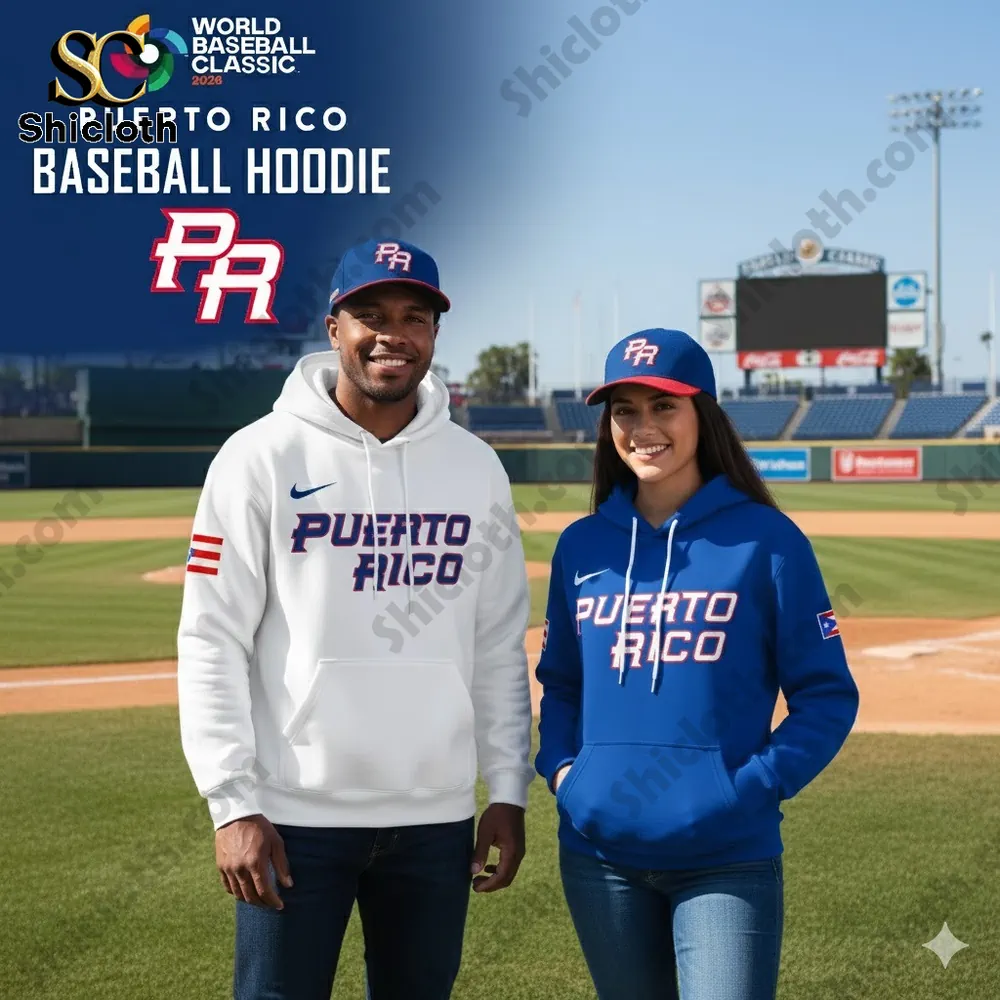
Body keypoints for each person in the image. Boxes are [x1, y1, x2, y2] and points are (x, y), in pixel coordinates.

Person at [176, 238, 534, 1000]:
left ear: (435, 333)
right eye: (369, 314)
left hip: (434, 819)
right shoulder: (258, 457)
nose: (391, 334)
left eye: (414, 316)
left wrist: (507, 787)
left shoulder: (476, 469)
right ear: (334, 327)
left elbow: (498, 642)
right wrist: (233, 802)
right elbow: (211, 638)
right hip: (291, 816)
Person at [534, 328, 859, 1000]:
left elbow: (826, 695)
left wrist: (750, 788)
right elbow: (562, 682)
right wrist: (567, 774)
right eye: (625, 409)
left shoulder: (766, 541)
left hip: (725, 858)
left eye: (663, 406)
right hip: (600, 857)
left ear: (702, 416)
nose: (642, 427)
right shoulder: (583, 547)